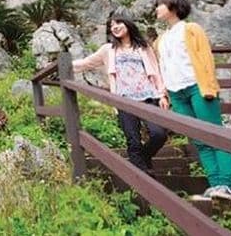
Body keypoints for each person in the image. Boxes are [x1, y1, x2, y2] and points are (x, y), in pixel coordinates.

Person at [154, 0, 231, 201]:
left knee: (215, 135)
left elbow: (205, 58)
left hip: (196, 87)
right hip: (176, 93)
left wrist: (209, 87)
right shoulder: (160, 40)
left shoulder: (192, 29)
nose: (156, 9)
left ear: (173, 7)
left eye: (160, 5)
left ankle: (227, 185)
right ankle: (215, 184)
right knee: (199, 140)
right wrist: (164, 93)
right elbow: (162, 67)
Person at [72, 14, 169, 174]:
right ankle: (142, 175)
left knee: (159, 135)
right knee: (133, 141)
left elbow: (156, 72)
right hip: (124, 100)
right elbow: (86, 63)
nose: (115, 27)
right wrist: (62, 65)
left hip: (149, 97)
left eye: (118, 23)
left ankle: (143, 159)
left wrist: (162, 94)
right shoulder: (108, 50)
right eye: (112, 25)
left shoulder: (144, 47)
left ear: (128, 24)